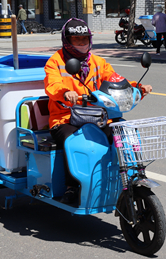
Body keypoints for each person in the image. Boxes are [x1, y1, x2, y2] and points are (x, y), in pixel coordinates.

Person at [44, 18, 152, 205]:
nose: (81, 43)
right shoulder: (55, 62)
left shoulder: (98, 62)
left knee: (124, 132)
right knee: (73, 141)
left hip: (97, 116)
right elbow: (52, 84)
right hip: (65, 118)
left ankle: (133, 175)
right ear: (67, 41)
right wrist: (65, 93)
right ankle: (72, 187)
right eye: (76, 39)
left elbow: (116, 80)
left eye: (84, 39)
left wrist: (137, 87)